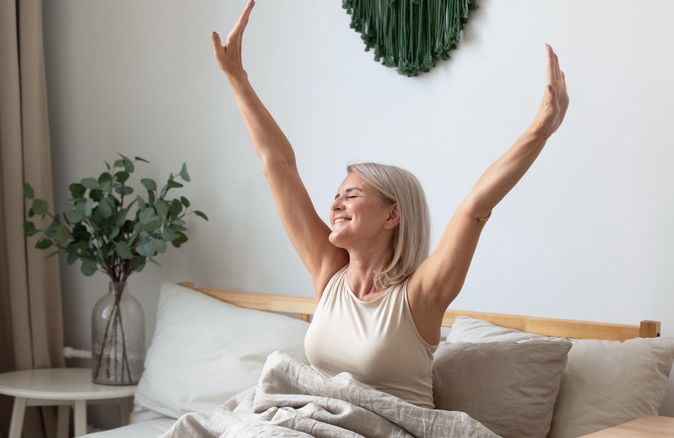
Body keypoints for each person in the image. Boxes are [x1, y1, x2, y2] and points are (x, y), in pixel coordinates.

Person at [211, 0, 569, 409]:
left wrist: (540, 129)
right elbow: (278, 166)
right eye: (336, 196)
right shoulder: (329, 275)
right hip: (316, 423)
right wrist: (237, 79)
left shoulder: (420, 295)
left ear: (392, 215)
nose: (336, 206)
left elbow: (475, 207)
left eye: (352, 195)